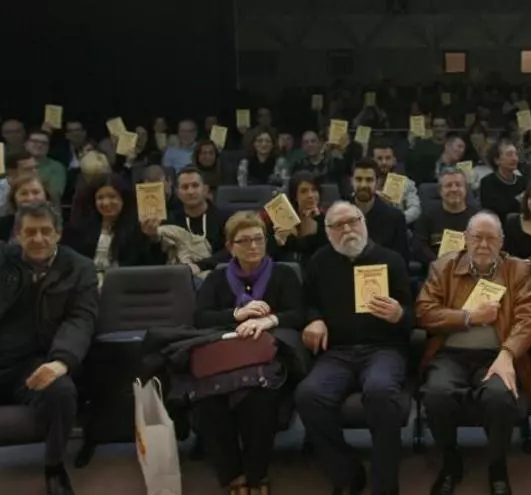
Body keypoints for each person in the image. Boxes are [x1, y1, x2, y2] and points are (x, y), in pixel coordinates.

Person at [416, 211, 531, 495]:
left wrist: (508, 353)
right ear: (465, 238)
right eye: (477, 237)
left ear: (502, 241)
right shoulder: (443, 267)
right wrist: (468, 317)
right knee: (437, 395)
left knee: (500, 397)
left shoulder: (517, 270)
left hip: (497, 355)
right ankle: (450, 463)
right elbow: (425, 312)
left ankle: (497, 467)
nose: (484, 245)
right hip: (450, 355)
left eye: (491, 238)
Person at [295, 201, 413, 495]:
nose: (347, 229)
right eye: (338, 225)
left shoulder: (391, 260)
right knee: (308, 395)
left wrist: (400, 314)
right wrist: (314, 319)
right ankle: (347, 472)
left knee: (380, 392)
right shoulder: (319, 262)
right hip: (337, 352)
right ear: (327, 231)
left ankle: (385, 486)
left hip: (384, 349)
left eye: (352, 221)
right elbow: (307, 304)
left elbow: (415, 315)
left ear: (364, 223)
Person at [0, 202, 98, 495]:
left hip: (34, 362)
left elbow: (81, 319)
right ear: (17, 235)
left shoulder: (79, 268)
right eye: (30, 232)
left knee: (62, 390)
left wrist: (62, 361)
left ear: (58, 233)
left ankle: (54, 467)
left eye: (46, 231)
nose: (38, 239)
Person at [193, 211, 304, 495]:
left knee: (259, 396)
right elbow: (201, 317)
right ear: (230, 247)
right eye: (244, 241)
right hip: (226, 355)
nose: (253, 246)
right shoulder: (217, 278)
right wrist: (236, 314)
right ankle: (233, 475)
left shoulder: (283, 274)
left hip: (266, 355)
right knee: (210, 399)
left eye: (259, 239)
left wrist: (268, 321)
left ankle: (257, 474)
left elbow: (297, 313)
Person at [61, 173, 165, 284]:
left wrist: (153, 238)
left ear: (123, 199)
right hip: (86, 285)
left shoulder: (137, 227)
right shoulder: (79, 227)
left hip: (124, 285)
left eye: (112, 197)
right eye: (100, 198)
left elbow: (151, 266)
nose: (106, 203)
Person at [165, 167, 228, 274]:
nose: (190, 191)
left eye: (195, 185)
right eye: (185, 187)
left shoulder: (224, 218)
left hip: (215, 274)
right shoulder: (170, 220)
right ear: (177, 192)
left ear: (205, 189)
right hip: (179, 275)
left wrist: (200, 265)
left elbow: (229, 251)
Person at [412, 167, 478, 264]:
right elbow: (419, 248)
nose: (454, 189)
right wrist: (440, 264)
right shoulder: (427, 217)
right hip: (436, 268)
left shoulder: (479, 217)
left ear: (466, 189)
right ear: (440, 191)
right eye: (448, 185)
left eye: (458, 185)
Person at [350, 158, 410, 261]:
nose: (363, 185)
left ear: (377, 182)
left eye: (369, 180)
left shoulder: (395, 217)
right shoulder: (338, 214)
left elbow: (401, 259)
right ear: (351, 181)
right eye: (359, 179)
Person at [265, 171, 328, 264]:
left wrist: (318, 220)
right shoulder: (281, 217)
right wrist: (278, 242)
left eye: (314, 190)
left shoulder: (327, 220)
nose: (310, 195)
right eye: (304, 191)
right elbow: (269, 256)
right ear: (294, 195)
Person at [0, 174, 51, 249]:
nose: (30, 198)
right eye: (24, 193)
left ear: (46, 196)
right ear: (14, 198)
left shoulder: (58, 225)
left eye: (36, 192)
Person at [372, 140, 421, 225]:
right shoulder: (364, 181)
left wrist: (396, 220)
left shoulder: (406, 183)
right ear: (372, 160)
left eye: (388, 158)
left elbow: (415, 209)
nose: (384, 162)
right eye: (379, 158)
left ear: (394, 160)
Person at [479, 139, 527, 226]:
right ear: (497, 160)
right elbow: (498, 210)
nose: (514, 158)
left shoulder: (523, 181)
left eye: (516, 154)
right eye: (509, 154)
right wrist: (520, 198)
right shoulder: (487, 182)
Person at [0, 151, 39, 221]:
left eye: (36, 168)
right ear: (12, 172)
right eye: (28, 169)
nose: (34, 172)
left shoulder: (41, 188)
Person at [26, 129, 67, 202]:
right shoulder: (15, 163)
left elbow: (54, 194)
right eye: (35, 141)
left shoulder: (57, 167)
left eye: (44, 143)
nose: (39, 145)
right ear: (26, 144)